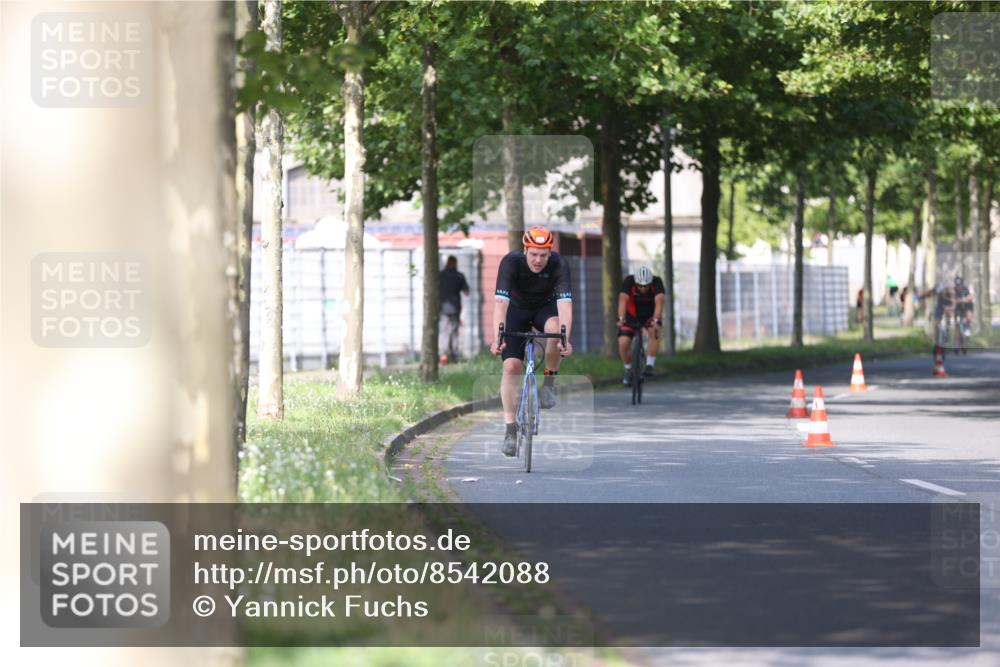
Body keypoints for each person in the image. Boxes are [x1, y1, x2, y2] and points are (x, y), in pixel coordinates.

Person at [490, 226, 573, 456]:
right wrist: (498, 338)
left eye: (543, 255)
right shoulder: (510, 262)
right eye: (534, 254)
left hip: (544, 309)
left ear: (550, 253)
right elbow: (500, 304)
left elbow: (565, 306)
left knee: (556, 332)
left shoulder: (559, 264)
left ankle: (549, 383)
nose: (538, 260)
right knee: (511, 367)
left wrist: (565, 339)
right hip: (515, 311)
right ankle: (510, 429)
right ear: (525, 250)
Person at [617, 265, 665, 384]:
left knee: (654, 331)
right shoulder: (629, 281)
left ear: (650, 282)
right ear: (636, 282)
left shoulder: (657, 282)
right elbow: (623, 300)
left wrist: (656, 319)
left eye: (646, 285)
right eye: (640, 285)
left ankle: (649, 365)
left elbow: (659, 301)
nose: (643, 288)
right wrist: (621, 318)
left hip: (649, 316)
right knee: (623, 342)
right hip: (631, 316)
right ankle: (628, 369)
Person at [439, 255, 470, 361]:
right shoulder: (459, 276)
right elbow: (466, 292)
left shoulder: (441, 275)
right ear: (455, 263)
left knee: (444, 331)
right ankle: (454, 355)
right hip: (455, 309)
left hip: (442, 309)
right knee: (454, 332)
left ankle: (444, 355)